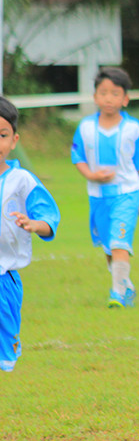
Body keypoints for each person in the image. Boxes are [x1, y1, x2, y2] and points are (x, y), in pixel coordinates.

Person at [70, 67, 139, 308]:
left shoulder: (134, 129)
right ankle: (126, 285)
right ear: (95, 97)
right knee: (108, 247)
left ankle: (117, 293)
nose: (109, 98)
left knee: (119, 243)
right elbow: (78, 157)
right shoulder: (85, 127)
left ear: (125, 99)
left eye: (115, 93)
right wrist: (91, 175)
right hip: (98, 196)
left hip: (127, 194)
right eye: (103, 93)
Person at [0, 97, 60, 372]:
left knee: (5, 356)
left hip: (5, 279)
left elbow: (49, 219)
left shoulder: (22, 181)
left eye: (2, 135)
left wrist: (35, 224)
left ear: (14, 140)